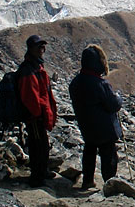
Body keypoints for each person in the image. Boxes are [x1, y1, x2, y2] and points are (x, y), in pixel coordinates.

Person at [69, 44, 123, 189]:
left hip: (86, 125)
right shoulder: (100, 83)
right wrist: (119, 98)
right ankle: (109, 183)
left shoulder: (76, 82)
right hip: (104, 127)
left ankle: (88, 180)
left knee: (89, 151)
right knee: (108, 156)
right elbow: (113, 104)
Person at [18, 34, 58, 187]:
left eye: (43, 46)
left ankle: (42, 171)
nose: (42, 49)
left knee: (42, 143)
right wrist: (38, 114)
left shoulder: (36, 67)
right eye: (38, 46)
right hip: (34, 117)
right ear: (31, 49)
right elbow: (30, 96)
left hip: (40, 114)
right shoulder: (28, 70)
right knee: (37, 145)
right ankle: (37, 177)